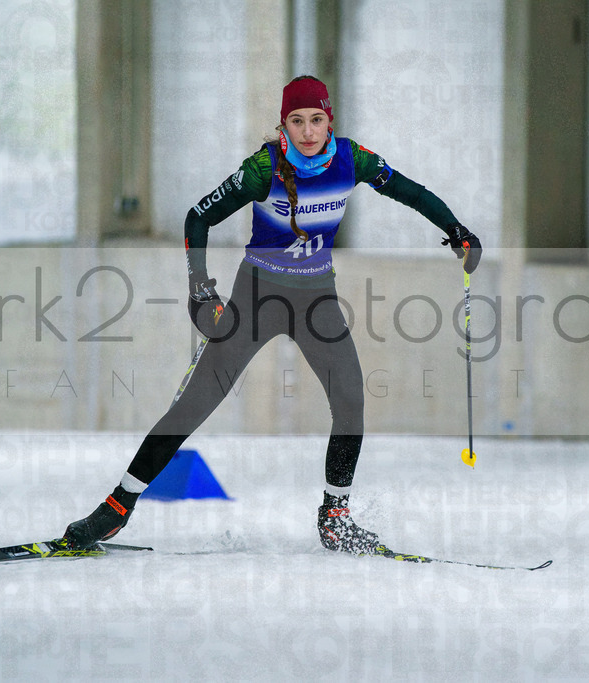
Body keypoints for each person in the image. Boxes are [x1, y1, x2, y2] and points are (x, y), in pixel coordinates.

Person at [62, 76, 482, 555]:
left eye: (317, 120)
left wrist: (457, 231)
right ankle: (117, 507)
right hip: (257, 296)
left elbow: (410, 191)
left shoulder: (352, 159)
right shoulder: (264, 167)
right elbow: (198, 217)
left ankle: (335, 517)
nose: (307, 132)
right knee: (194, 405)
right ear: (283, 124)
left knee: (350, 400)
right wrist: (200, 289)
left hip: (317, 299)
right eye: (297, 121)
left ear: (330, 122)